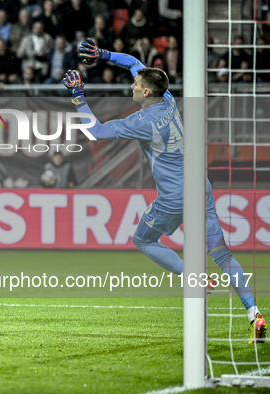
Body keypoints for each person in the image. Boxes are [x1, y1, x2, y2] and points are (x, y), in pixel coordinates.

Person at [69, 38, 267, 343]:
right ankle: (253, 311)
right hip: (200, 188)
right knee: (223, 256)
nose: (132, 84)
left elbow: (94, 132)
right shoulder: (168, 99)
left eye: (136, 84)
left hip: (175, 199)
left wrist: (79, 96)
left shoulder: (141, 121)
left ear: (146, 92)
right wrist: (104, 55)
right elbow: (135, 63)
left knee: (143, 239)